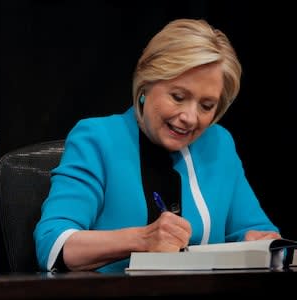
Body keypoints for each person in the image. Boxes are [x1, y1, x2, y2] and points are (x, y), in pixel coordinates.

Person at [33, 18, 281, 273]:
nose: (190, 117)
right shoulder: (97, 138)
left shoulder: (219, 143)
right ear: (146, 83)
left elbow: (259, 235)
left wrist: (263, 244)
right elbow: (54, 244)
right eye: (178, 97)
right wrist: (142, 239)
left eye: (206, 106)